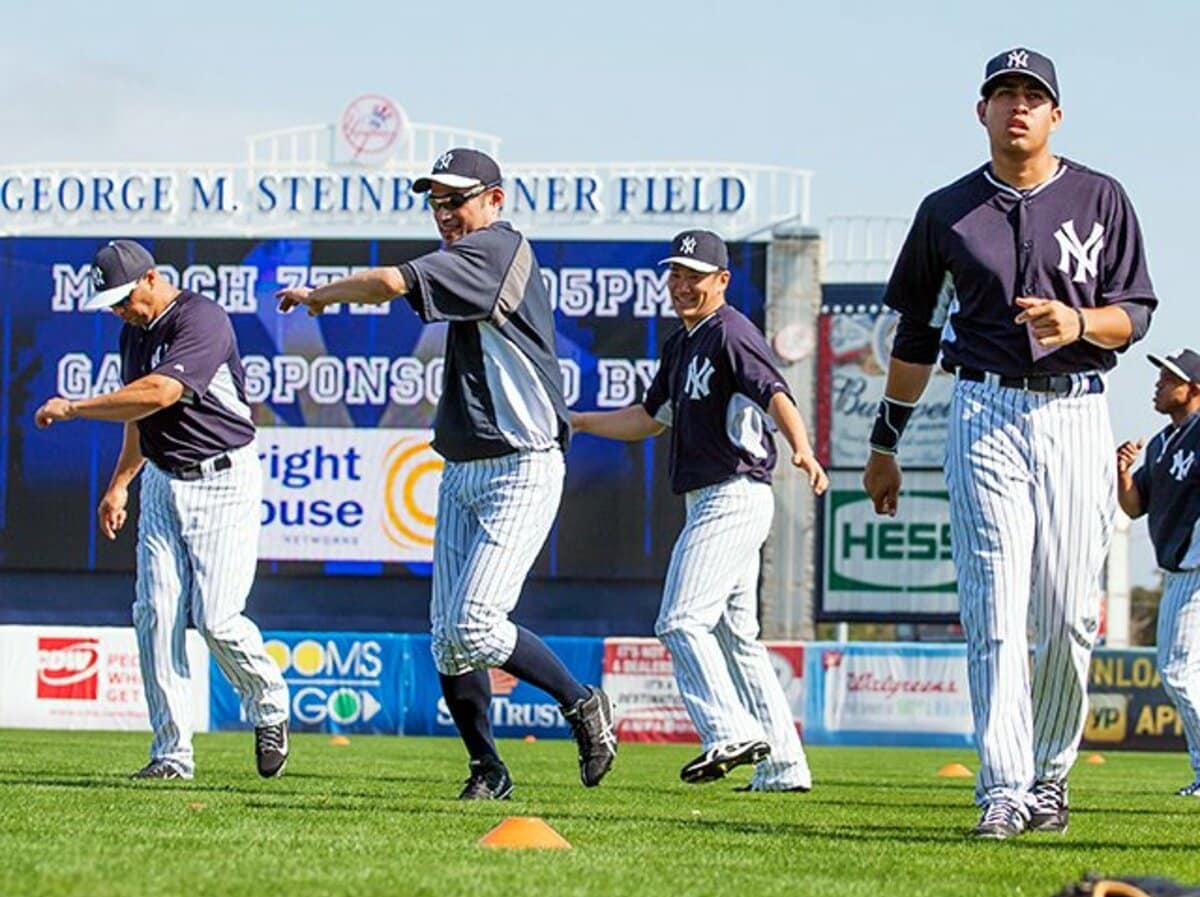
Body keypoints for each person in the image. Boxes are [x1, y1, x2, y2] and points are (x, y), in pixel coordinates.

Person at [862, 48, 1157, 839]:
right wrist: (884, 442)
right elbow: (917, 335)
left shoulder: (1101, 197)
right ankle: (1002, 785)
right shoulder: (946, 209)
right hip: (984, 411)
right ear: (982, 111)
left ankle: (1051, 774)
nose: (1018, 106)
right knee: (993, 606)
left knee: (1065, 612)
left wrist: (1081, 323)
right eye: (1004, 94)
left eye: (1033, 95)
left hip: (1074, 411)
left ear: (1056, 113)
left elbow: (1136, 313)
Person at [276, 147, 616, 800]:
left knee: (477, 624)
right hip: (463, 469)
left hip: (521, 467)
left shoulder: (496, 249)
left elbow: (388, 284)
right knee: (448, 640)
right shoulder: (469, 259)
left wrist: (319, 296)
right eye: (436, 203)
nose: (445, 214)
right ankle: (488, 769)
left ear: (495, 199)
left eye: (456, 199)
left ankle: (580, 703)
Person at [572, 229, 827, 790]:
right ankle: (785, 765)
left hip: (731, 494)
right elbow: (649, 416)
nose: (683, 285)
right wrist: (583, 422)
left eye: (695, 275)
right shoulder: (681, 342)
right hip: (714, 498)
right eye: (676, 274)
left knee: (680, 620)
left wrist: (802, 449)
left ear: (722, 281)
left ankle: (727, 731)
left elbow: (776, 392)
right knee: (737, 638)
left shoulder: (731, 331)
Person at [34, 240, 290, 780]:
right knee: (156, 615)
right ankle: (172, 754)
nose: (119, 311)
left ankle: (269, 706)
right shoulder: (134, 333)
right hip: (161, 481)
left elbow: (159, 392)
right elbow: (139, 413)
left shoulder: (201, 317)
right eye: (111, 303)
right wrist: (119, 484)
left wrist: (76, 408)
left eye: (124, 298)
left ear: (151, 278)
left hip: (222, 479)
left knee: (218, 618)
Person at [1117, 350, 1200, 796]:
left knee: (1179, 673)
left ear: (1195, 389)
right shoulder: (1163, 442)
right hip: (1178, 573)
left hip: (1196, 568)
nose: (1159, 384)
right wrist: (1123, 472)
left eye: (1170, 379)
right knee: (1180, 673)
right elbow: (1133, 507)